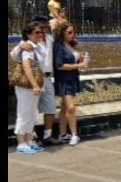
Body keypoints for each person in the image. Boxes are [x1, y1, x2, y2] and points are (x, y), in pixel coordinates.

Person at [10, 16, 65, 146]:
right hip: (33, 79)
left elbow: (63, 29)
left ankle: (47, 135)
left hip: (47, 78)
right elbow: (14, 56)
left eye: (46, 23)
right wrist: (20, 46)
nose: (46, 26)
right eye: (43, 23)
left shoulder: (49, 38)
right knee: (29, 110)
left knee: (50, 107)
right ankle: (30, 138)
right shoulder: (29, 41)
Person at [13, 22, 46, 154]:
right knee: (24, 113)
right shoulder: (27, 47)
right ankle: (21, 143)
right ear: (28, 34)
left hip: (34, 85)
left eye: (41, 32)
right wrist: (35, 85)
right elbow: (27, 67)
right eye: (37, 32)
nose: (40, 34)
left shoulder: (37, 46)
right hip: (27, 86)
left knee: (32, 113)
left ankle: (29, 140)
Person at [53, 21, 88, 146]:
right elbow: (60, 66)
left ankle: (63, 134)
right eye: (69, 32)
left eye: (73, 32)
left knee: (64, 107)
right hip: (64, 80)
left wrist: (80, 58)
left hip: (72, 78)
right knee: (71, 108)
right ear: (62, 33)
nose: (72, 34)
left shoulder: (71, 44)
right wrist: (79, 65)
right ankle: (74, 134)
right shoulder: (58, 46)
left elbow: (73, 60)